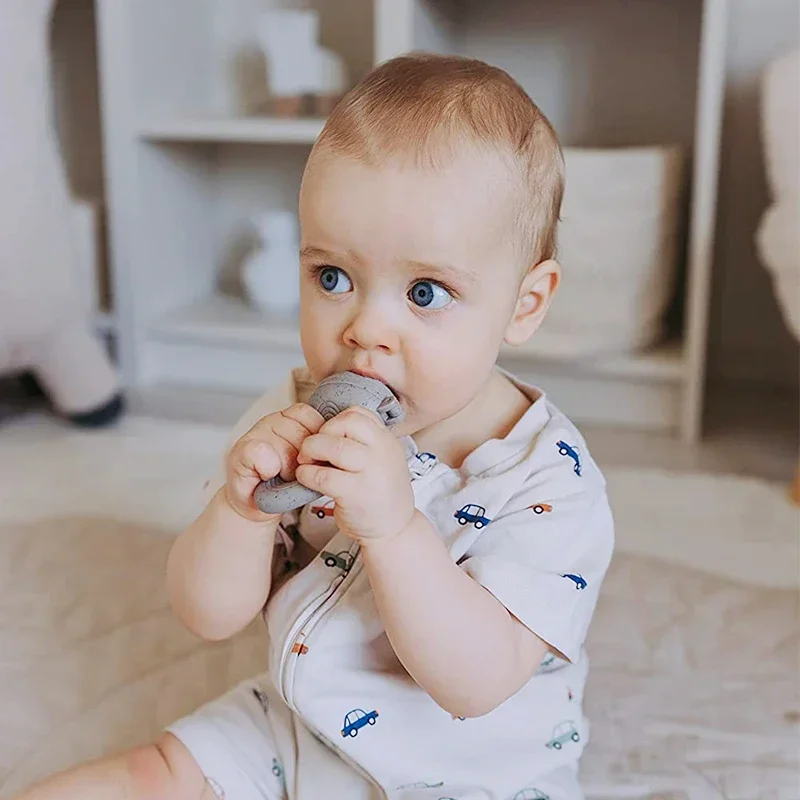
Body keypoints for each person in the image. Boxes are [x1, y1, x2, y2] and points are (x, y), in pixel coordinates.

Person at [17, 53, 614, 800]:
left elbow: (476, 682)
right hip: (299, 729)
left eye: (425, 292)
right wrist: (238, 510)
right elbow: (208, 614)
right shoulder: (295, 409)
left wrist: (395, 530)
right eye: (333, 278)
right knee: (141, 775)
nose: (366, 330)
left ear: (525, 304)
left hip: (472, 775)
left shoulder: (550, 481)